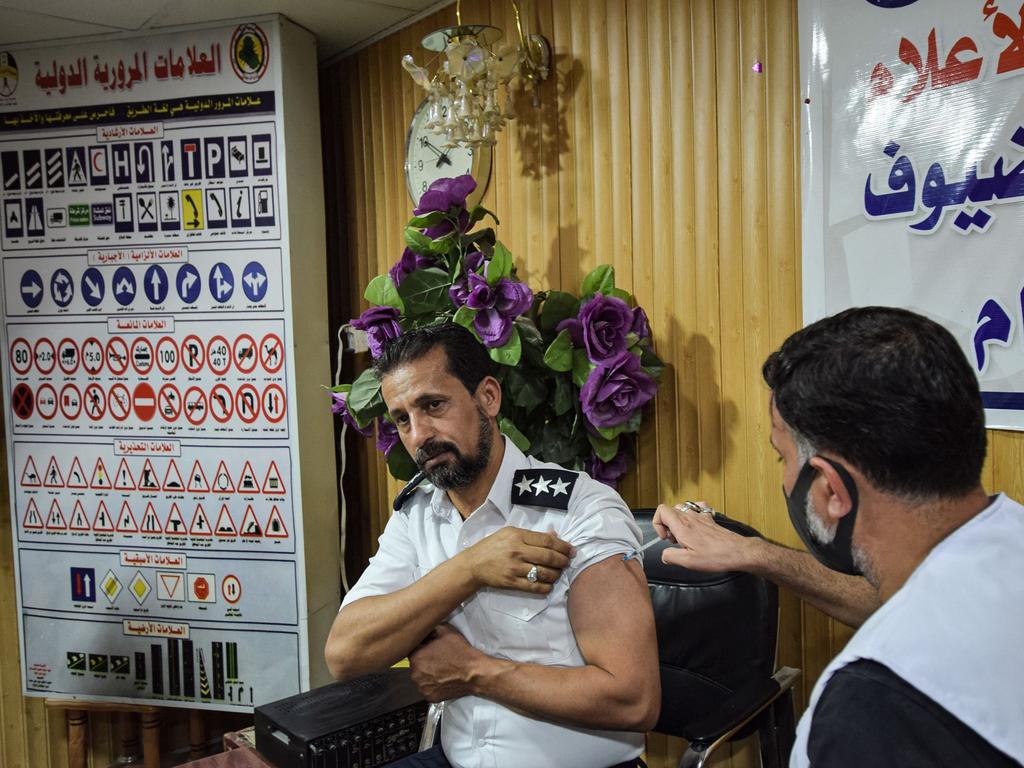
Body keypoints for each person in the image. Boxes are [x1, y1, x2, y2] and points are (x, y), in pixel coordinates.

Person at [654, 307, 1023, 766]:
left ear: (830, 489)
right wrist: (756, 554)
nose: (785, 478)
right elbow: (913, 602)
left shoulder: (867, 710)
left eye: (780, 457)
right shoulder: (1002, 543)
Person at [325, 324, 660, 768]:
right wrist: (469, 569)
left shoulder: (580, 510)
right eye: (402, 419)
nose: (419, 435)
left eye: (433, 405)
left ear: (487, 398)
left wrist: (475, 673)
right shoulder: (418, 514)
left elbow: (633, 700)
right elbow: (345, 654)